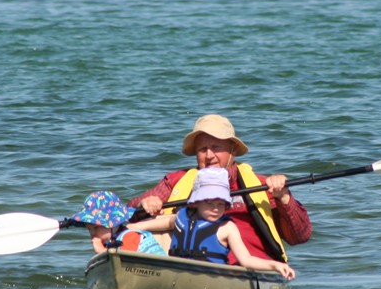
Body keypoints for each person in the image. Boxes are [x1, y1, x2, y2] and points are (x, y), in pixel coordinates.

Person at [128, 114, 311, 264]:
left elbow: (300, 237)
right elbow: (126, 213)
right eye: (203, 149)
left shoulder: (263, 185)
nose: (209, 156)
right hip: (188, 266)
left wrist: (284, 197)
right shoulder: (176, 181)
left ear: (233, 150)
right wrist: (143, 206)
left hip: (250, 269)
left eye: (216, 147)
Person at [133, 168, 296, 280]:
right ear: (196, 203)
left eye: (220, 204)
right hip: (177, 271)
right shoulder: (182, 217)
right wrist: (128, 228)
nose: (215, 209)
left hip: (212, 277)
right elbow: (153, 224)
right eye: (209, 203)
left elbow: (246, 260)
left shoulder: (227, 228)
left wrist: (275, 266)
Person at [71, 190, 166, 255]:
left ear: (113, 224)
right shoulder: (113, 240)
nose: (93, 234)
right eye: (89, 229)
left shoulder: (129, 235)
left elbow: (125, 261)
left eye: (96, 228)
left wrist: (102, 251)